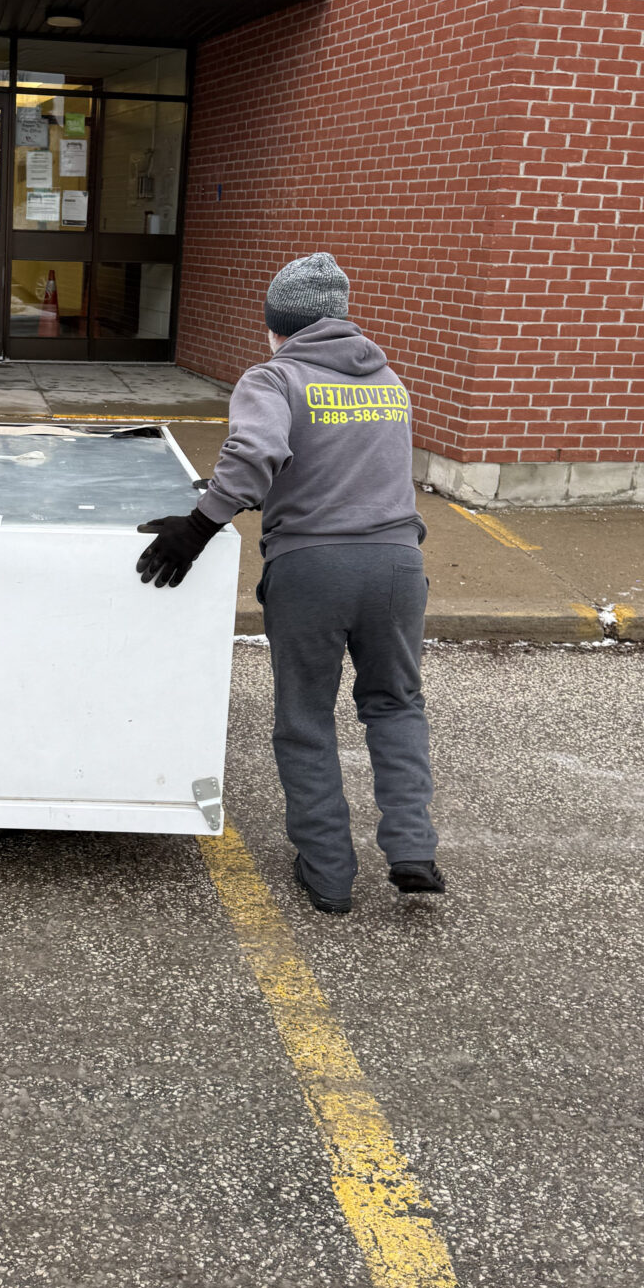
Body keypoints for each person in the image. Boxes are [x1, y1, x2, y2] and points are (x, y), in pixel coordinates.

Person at [136, 252, 444, 914]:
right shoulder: (387, 379)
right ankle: (413, 849)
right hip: (397, 564)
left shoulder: (273, 377)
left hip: (312, 569)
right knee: (395, 704)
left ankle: (328, 874)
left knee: (306, 720)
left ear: (279, 326)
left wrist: (199, 525)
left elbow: (256, 454)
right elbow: (344, 463)